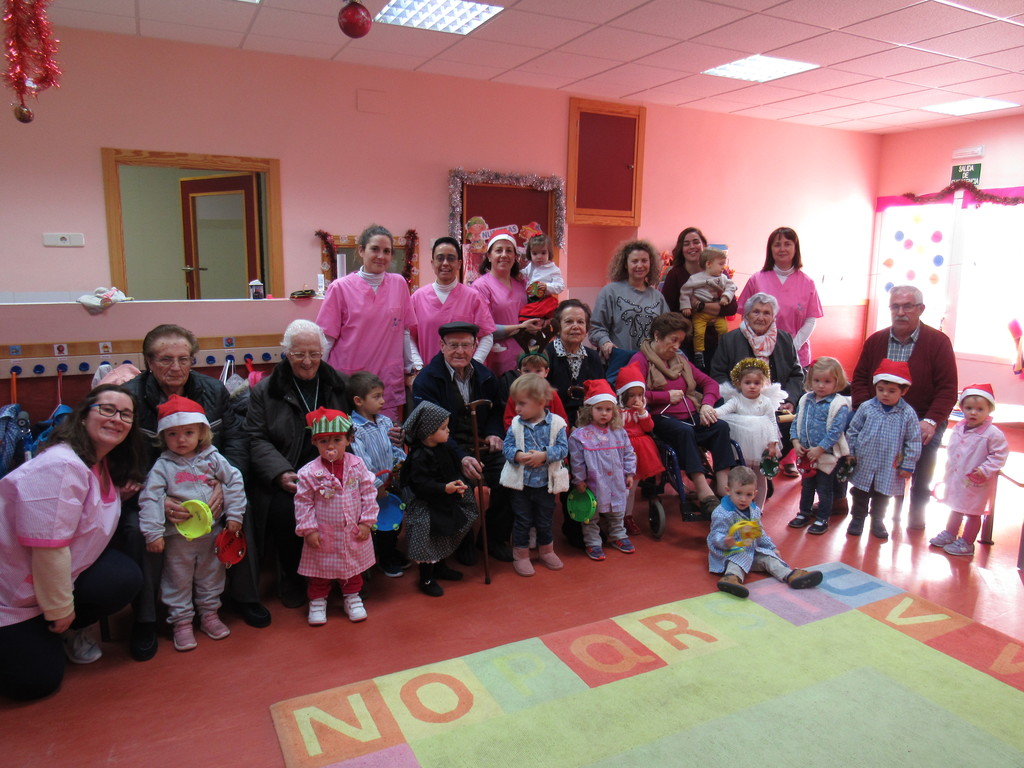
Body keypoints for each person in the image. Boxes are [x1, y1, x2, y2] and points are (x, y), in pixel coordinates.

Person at [118, 324, 265, 661]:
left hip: (211, 484)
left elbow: (238, 441)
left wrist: (224, 486)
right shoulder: (131, 397)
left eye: (184, 359)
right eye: (165, 359)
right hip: (153, 489)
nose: (176, 367)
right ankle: (146, 618)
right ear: (149, 362)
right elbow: (121, 455)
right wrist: (159, 496)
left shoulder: (214, 391)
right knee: (135, 528)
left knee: (243, 512)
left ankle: (244, 598)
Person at [0, 385, 144, 700]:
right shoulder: (61, 465)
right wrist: (61, 609)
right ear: (82, 417)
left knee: (124, 577)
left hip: (47, 582)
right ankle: (50, 627)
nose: (117, 419)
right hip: (13, 593)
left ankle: (52, 630)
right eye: (107, 409)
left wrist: (118, 496)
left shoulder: (101, 463)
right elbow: (47, 549)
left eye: (125, 414)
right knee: (35, 684)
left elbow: (82, 513)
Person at [247, 319, 350, 610]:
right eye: (299, 354)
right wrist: (280, 472)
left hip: (334, 467)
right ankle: (293, 579)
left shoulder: (339, 383)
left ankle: (347, 576)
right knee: (285, 513)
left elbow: (355, 428)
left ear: (323, 353)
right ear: (286, 353)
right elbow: (255, 439)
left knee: (350, 505)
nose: (307, 362)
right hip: (289, 469)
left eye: (314, 354)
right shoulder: (266, 391)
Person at [138, 395, 245, 651]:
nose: (181, 439)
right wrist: (153, 533)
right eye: (173, 434)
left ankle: (210, 615)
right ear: (164, 437)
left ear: (202, 433)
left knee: (211, 576)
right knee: (178, 579)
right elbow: (150, 497)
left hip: (212, 535)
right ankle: (182, 622)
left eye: (188, 432)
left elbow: (234, 481)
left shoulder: (213, 459)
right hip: (178, 538)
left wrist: (234, 516)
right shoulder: (162, 466)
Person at [851, 285, 957, 530]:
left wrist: (931, 421)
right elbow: (859, 379)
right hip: (878, 414)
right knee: (849, 440)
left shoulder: (938, 342)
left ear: (920, 309)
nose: (900, 312)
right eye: (895, 306)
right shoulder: (876, 340)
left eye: (907, 306)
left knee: (924, 452)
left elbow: (948, 389)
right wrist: (865, 410)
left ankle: (917, 512)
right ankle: (847, 506)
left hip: (921, 417)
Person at [411, 321, 513, 562]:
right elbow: (431, 427)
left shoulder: (485, 375)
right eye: (453, 345)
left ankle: (493, 538)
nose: (460, 351)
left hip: (482, 444)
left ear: (475, 345)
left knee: (511, 475)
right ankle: (461, 539)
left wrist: (494, 432)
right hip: (444, 448)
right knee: (458, 483)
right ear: (442, 346)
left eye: (466, 345)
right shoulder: (427, 380)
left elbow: (497, 410)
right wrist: (461, 456)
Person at [631, 312, 736, 517]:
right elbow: (633, 394)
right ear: (657, 335)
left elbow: (710, 383)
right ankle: (703, 490)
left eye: (680, 341)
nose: (678, 346)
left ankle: (723, 486)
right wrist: (664, 396)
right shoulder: (640, 360)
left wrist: (706, 405)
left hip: (690, 413)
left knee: (720, 426)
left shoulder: (681, 361)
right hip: (659, 418)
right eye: (673, 340)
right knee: (683, 432)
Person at [316, 223, 417, 421]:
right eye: (375, 249)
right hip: (350, 381)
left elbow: (404, 332)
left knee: (389, 443)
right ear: (361, 250)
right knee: (352, 444)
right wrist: (320, 377)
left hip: (386, 382)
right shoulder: (340, 288)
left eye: (387, 251)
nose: (381, 256)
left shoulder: (399, 284)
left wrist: (409, 369)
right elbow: (326, 339)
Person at [294, 408, 378, 625]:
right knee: (320, 571)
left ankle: (352, 597)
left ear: (348, 440)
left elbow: (368, 493)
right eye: (323, 441)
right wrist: (309, 529)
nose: (330, 446)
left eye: (337, 440)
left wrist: (367, 522)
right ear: (315, 443)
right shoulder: (308, 472)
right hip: (323, 534)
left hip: (353, 530)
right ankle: (317, 601)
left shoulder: (357, 465)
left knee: (352, 568)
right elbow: (303, 503)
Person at [709, 292, 804, 476]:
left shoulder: (784, 339)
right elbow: (717, 374)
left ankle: (765, 469)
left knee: (795, 421)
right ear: (746, 315)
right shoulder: (730, 339)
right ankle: (742, 473)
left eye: (767, 313)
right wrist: (738, 397)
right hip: (740, 401)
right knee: (748, 425)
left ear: (773, 316)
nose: (761, 317)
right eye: (756, 312)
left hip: (777, 402)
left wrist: (790, 399)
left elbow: (796, 374)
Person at [708, 466, 824, 599]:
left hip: (751, 550)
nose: (743, 499)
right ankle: (731, 578)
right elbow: (715, 534)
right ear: (728, 491)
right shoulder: (722, 513)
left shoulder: (754, 510)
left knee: (769, 558)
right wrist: (724, 541)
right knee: (738, 558)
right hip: (729, 553)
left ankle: (790, 575)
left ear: (755, 494)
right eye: (738, 493)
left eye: (748, 495)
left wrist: (771, 547)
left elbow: (760, 532)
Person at [401, 401, 478, 597]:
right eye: (443, 428)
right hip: (426, 503)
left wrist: (459, 484)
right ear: (428, 433)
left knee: (445, 533)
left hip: (445, 499)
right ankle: (426, 577)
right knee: (428, 535)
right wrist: (444, 488)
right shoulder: (419, 456)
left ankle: (441, 566)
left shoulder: (444, 448)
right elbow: (420, 484)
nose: (448, 431)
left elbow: (451, 470)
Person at [500, 373, 570, 576]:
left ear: (540, 402)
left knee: (544, 519)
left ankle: (546, 550)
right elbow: (507, 447)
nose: (517, 408)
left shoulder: (556, 424)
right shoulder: (515, 424)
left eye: (522, 403)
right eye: (516, 403)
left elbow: (563, 450)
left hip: (546, 484)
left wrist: (545, 455)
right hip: (521, 485)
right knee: (522, 519)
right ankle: (521, 555)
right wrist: (518, 456)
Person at [929, 384, 1008, 557]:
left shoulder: (993, 434)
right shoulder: (959, 427)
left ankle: (967, 542)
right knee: (955, 506)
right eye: (969, 408)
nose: (973, 413)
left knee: (973, 512)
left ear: (989, 410)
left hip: (977, 480)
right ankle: (950, 533)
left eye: (980, 409)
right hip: (957, 477)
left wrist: (985, 469)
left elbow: (999, 455)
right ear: (961, 408)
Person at [846, 360, 922, 540]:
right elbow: (853, 430)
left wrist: (908, 465)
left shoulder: (907, 413)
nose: (885, 394)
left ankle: (877, 520)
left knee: (882, 495)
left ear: (903, 391)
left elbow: (914, 440)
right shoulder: (866, 407)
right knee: (860, 492)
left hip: (889, 465)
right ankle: (857, 519)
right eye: (881, 390)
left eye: (892, 391)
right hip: (864, 461)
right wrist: (850, 452)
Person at [569, 379, 637, 561]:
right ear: (589, 409)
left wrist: (630, 473)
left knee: (617, 511)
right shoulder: (580, 436)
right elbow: (577, 461)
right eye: (599, 409)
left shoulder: (619, 432)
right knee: (591, 515)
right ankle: (592, 542)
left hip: (616, 480)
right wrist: (579, 480)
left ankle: (618, 535)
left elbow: (629, 453)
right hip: (594, 482)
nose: (604, 414)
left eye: (608, 410)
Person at [348, 371, 407, 578]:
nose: (383, 401)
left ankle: (390, 550)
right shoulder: (354, 428)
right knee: (378, 524)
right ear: (358, 401)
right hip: (372, 488)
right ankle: (384, 557)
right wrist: (377, 484)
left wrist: (402, 465)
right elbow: (362, 462)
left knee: (395, 518)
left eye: (382, 395)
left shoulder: (385, 422)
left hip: (392, 481)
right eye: (376, 397)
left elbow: (396, 449)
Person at [737, 227, 823, 368]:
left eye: (787, 244)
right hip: (759, 352)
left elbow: (811, 320)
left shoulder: (807, 283)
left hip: (795, 353)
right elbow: (745, 317)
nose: (782, 249)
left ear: (796, 248)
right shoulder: (756, 279)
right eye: (777, 245)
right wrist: (757, 342)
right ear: (770, 250)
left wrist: (792, 346)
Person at [409, 236, 496, 369]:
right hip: (428, 375)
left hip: (464, 377)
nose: (445, 263)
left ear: (459, 264)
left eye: (450, 258)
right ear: (432, 263)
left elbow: (487, 336)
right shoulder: (417, 298)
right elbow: (409, 337)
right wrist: (418, 366)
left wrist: (473, 366)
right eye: (440, 258)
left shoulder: (473, 297)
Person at [788, 357, 851, 536]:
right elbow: (796, 423)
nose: (821, 386)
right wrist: (795, 442)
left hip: (827, 456)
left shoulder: (838, 404)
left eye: (827, 381)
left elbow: (836, 431)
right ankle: (804, 513)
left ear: (836, 382)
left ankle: (823, 518)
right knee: (807, 486)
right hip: (807, 455)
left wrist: (820, 448)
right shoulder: (805, 400)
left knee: (824, 489)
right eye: (817, 381)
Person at [590, 239, 669, 381]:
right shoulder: (610, 292)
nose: (640, 265)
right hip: (619, 365)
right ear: (625, 265)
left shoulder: (657, 297)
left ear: (650, 263)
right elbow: (596, 328)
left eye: (644, 261)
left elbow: (667, 331)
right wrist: (605, 342)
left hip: (650, 367)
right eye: (634, 261)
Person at [713, 358, 785, 509]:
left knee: (760, 477)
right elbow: (723, 411)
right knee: (743, 476)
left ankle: (759, 509)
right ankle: (742, 506)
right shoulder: (736, 400)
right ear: (739, 383)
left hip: (761, 445)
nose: (752, 386)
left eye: (756, 383)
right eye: (748, 382)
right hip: (743, 445)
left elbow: (772, 423)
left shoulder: (765, 402)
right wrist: (711, 413)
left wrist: (773, 444)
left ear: (763, 383)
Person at [470, 233, 544, 376]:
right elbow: (483, 329)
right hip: (495, 360)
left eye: (509, 250)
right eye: (499, 250)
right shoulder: (480, 287)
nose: (504, 255)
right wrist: (521, 328)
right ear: (489, 256)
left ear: (515, 257)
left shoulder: (522, 284)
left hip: (525, 360)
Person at [661, 227, 737, 360]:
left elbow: (731, 308)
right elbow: (669, 312)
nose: (692, 247)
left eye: (696, 242)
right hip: (684, 343)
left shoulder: (719, 272)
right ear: (681, 248)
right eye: (686, 244)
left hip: (714, 342)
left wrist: (700, 306)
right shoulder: (675, 274)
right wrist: (710, 312)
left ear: (704, 245)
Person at [615, 362, 665, 536]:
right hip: (619, 449)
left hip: (639, 452)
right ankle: (615, 517)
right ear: (622, 395)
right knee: (618, 487)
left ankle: (627, 516)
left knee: (631, 488)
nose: (636, 399)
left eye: (640, 395)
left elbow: (648, 427)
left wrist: (643, 412)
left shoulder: (640, 411)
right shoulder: (616, 412)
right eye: (631, 395)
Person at [546, 299, 606, 429]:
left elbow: (600, 396)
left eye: (580, 322)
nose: (575, 326)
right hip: (552, 424)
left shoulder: (593, 357)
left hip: (588, 425)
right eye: (568, 322)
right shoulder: (545, 355)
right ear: (557, 327)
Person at [679, 248, 737, 370]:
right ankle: (698, 353)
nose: (723, 268)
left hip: (716, 311)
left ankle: (722, 350)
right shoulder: (695, 279)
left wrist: (726, 297)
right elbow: (685, 292)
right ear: (708, 264)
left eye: (724, 264)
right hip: (699, 314)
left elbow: (732, 287)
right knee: (699, 332)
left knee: (723, 329)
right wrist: (686, 306)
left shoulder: (722, 278)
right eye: (720, 264)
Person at [517, 233, 564, 351]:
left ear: (549, 253)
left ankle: (537, 339)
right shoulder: (531, 266)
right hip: (532, 299)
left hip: (545, 300)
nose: (539, 257)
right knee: (525, 316)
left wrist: (547, 286)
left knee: (537, 318)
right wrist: (519, 274)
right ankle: (530, 337)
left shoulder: (553, 269)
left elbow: (560, 286)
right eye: (535, 253)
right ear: (530, 254)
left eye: (543, 253)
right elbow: (524, 274)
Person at [500, 350, 569, 430]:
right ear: (520, 373)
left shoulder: (551, 394)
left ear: (546, 372)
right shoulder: (516, 394)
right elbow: (509, 422)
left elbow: (563, 421)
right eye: (527, 371)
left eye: (538, 371)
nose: (532, 375)